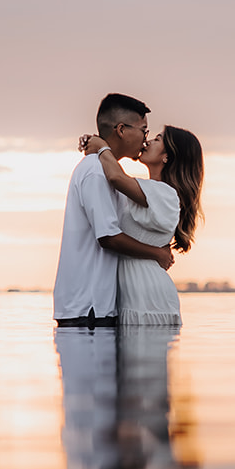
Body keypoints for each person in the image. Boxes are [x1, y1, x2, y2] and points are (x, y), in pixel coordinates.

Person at [53, 94, 175, 328]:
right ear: (121, 129)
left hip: (96, 307)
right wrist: (157, 254)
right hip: (88, 308)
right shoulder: (96, 172)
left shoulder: (108, 172)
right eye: (143, 130)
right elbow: (108, 237)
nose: (145, 139)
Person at [80, 124, 204, 325]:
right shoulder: (144, 192)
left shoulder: (165, 193)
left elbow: (115, 177)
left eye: (157, 139)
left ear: (168, 156)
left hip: (147, 293)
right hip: (134, 290)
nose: (148, 141)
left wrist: (102, 147)